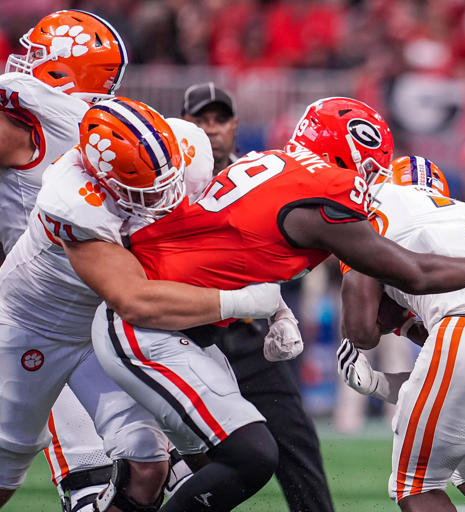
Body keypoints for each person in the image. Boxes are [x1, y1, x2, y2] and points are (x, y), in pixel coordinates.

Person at [55, 96, 465, 512]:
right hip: (154, 323)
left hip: (186, 322)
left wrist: (274, 307)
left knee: (201, 464)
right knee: (249, 454)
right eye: (369, 165)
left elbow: (240, 247)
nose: (370, 180)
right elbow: (412, 272)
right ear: (348, 151)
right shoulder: (325, 190)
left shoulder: (275, 163)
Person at [0, 92, 283, 512]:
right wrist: (244, 301)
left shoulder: (187, 146)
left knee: (147, 463)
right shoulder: (73, 201)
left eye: (164, 178)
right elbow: (135, 299)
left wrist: (279, 303)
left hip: (101, 328)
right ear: (101, 178)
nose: (160, 198)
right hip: (34, 329)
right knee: (5, 469)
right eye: (141, 189)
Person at [0, 10, 155, 511]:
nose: (23, 64)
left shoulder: (53, 127)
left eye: (36, 56)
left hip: (79, 312)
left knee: (145, 465)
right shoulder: (105, 130)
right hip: (58, 310)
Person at [337, 155, 465, 512]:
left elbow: (361, 331)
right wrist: (404, 327)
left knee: (416, 486)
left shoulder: (379, 203)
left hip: (464, 334)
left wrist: (376, 328)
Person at [180, 82, 335, 512]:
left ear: (234, 126)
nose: (211, 130)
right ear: (184, 126)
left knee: (296, 443)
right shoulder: (168, 178)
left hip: (250, 336)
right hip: (186, 333)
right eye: (200, 121)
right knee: (177, 455)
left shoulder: (256, 173)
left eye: (219, 120)